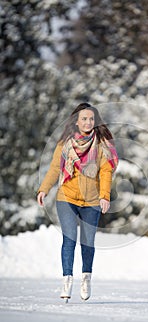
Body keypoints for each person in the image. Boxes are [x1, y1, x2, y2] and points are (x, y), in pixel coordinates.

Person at [37, 102, 118, 302]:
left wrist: (104, 196)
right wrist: (44, 189)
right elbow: (56, 168)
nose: (88, 122)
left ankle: (86, 278)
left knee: (88, 242)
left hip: (91, 199)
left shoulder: (101, 144)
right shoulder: (65, 142)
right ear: (76, 120)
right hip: (67, 196)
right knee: (70, 238)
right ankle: (66, 279)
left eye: (91, 119)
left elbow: (106, 171)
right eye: (84, 118)